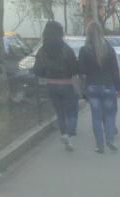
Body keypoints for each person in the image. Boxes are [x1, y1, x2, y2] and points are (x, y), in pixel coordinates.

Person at [32, 21, 79, 151]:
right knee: (72, 111)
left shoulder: (42, 51)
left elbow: (37, 70)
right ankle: (69, 134)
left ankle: (64, 134)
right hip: (66, 84)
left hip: (51, 85)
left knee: (60, 112)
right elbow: (75, 68)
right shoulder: (66, 49)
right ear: (60, 33)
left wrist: (47, 73)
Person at [79, 21, 120, 153]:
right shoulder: (109, 48)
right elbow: (115, 69)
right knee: (109, 115)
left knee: (96, 117)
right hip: (109, 85)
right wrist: (118, 87)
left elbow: (81, 72)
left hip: (92, 86)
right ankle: (110, 140)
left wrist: (83, 89)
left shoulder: (84, 50)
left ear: (88, 33)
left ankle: (99, 145)